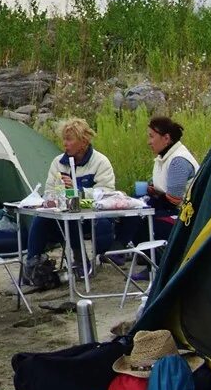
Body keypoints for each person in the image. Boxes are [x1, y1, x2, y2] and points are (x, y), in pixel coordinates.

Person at [24, 118, 116, 283]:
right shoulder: (58, 163)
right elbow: (50, 191)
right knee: (41, 219)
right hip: (63, 214)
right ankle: (32, 263)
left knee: (74, 218)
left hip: (92, 217)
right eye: (64, 139)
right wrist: (51, 201)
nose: (64, 143)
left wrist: (78, 190)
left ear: (83, 142)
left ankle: (81, 260)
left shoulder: (100, 162)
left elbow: (106, 193)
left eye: (69, 139)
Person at [115, 116, 199, 280]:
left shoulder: (178, 161)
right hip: (170, 209)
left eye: (152, 136)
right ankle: (145, 261)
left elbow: (175, 200)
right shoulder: (164, 157)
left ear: (166, 138)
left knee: (141, 218)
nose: (149, 141)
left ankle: (156, 265)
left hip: (184, 216)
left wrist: (154, 195)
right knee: (133, 208)